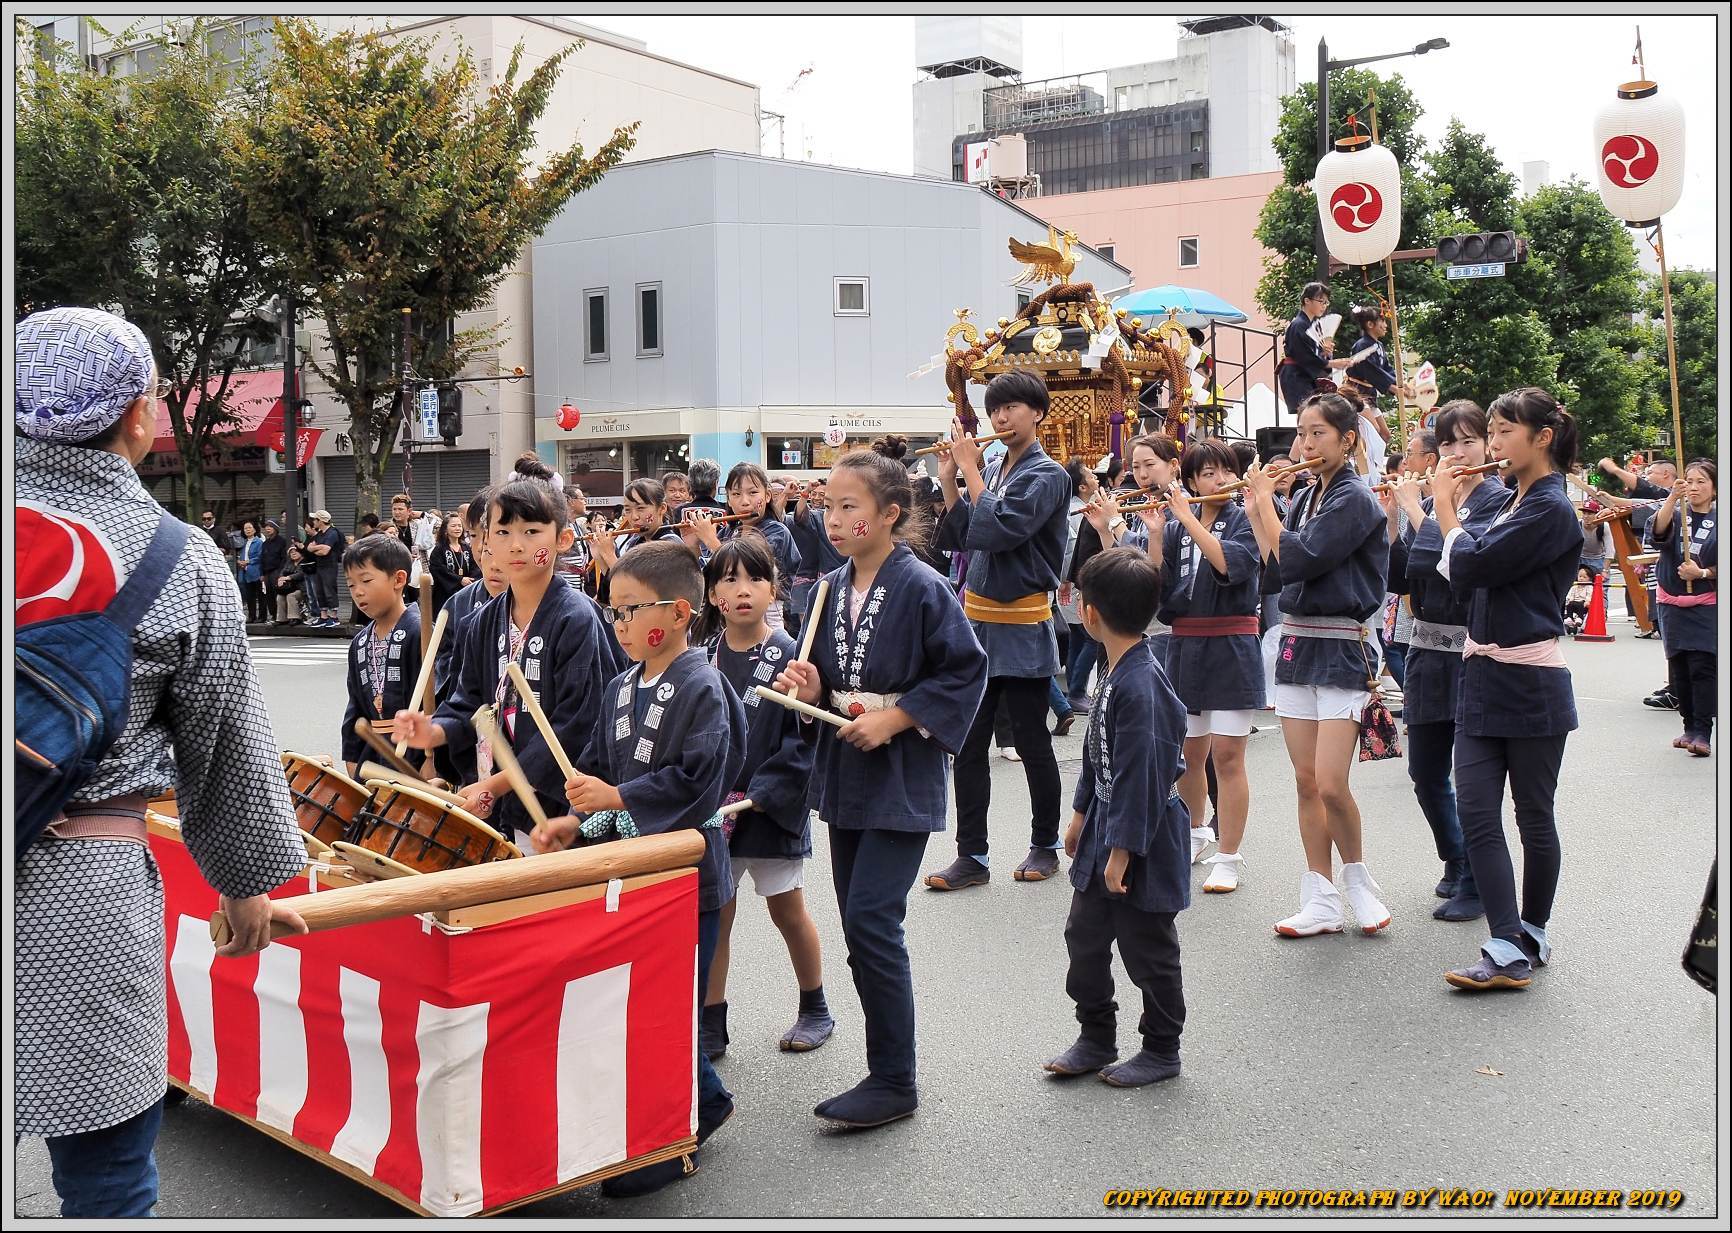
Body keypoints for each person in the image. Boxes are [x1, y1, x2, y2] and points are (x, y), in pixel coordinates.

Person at [15, 306, 307, 1217]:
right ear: (142, 415)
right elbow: (224, 748)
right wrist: (246, 881)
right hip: (79, 894)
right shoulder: (177, 559)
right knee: (106, 1180)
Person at [773, 446, 987, 1127]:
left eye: (848, 507)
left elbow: (964, 670)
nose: (832, 520)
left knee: (872, 917)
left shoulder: (923, 585)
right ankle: (885, 1069)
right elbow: (827, 678)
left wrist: (896, 716)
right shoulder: (825, 588)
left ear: (890, 514)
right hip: (847, 767)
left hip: (899, 768)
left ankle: (896, 1077)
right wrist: (813, 687)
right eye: (827, 506)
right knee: (859, 924)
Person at [535, 540, 744, 1194]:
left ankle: (688, 1115)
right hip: (631, 863)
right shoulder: (621, 686)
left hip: (687, 869)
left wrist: (619, 798)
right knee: (640, 997)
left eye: (631, 610)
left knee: (670, 1000)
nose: (619, 624)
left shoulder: (704, 684)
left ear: (680, 611)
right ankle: (676, 1108)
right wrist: (577, 821)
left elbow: (701, 779)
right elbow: (601, 771)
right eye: (613, 610)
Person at [1431, 388, 1583, 990]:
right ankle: (1503, 942)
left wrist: (1444, 507)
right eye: (1488, 434)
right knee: (1476, 810)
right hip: (1483, 674)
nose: (1491, 446)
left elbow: (1470, 565)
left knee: (1534, 818)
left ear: (1541, 437)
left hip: (1533, 682)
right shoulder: (1508, 502)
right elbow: (1451, 569)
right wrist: (1445, 517)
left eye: (1501, 433)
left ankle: (1534, 929)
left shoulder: (1551, 508)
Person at [391, 480, 617, 852]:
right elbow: (469, 701)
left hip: (560, 804)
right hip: (504, 794)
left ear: (562, 540)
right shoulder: (481, 621)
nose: (515, 544)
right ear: (485, 544)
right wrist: (434, 731)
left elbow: (575, 726)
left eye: (531, 531)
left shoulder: (575, 617)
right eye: (502, 532)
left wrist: (495, 786)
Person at [1242, 392, 1391, 938]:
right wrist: (1262, 507)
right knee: (1305, 782)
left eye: (1316, 434)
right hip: (1297, 645)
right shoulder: (1309, 497)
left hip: (1342, 646)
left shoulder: (1354, 498)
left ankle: (1357, 881)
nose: (1303, 445)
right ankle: (1319, 896)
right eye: (1301, 434)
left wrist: (1264, 504)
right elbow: (1277, 566)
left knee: (1331, 782)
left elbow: (1301, 557)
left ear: (1347, 439)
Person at [1042, 547, 1189, 1087]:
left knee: (1148, 949)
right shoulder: (1118, 667)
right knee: (1084, 937)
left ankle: (1161, 1048)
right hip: (1107, 821)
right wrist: (1081, 811)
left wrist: (1123, 851)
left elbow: (1144, 777)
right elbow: (1097, 753)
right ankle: (1096, 1035)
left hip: (1142, 833)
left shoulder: (1142, 684)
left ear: (1089, 613)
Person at [927, 371, 1072, 890]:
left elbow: (1002, 528)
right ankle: (972, 854)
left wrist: (970, 470)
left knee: (1033, 739)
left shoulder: (1049, 474)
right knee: (968, 744)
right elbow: (964, 536)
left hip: (1024, 621)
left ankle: (1046, 843)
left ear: (1038, 412)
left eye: (1012, 407)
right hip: (978, 622)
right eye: (995, 409)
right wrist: (950, 478)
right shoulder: (991, 463)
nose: (1001, 418)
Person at [697, 535, 832, 1060]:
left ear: (774, 588)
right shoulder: (702, 656)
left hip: (769, 810)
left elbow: (803, 739)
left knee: (787, 911)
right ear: (712, 596)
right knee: (718, 915)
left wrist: (764, 793)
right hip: (715, 811)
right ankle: (712, 1020)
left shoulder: (791, 655)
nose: (743, 590)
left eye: (755, 578)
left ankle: (815, 1005)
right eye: (728, 579)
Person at [1387, 402, 1510, 923]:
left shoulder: (1498, 501)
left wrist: (1423, 508)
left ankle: (1478, 880)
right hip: (1426, 648)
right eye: (1447, 446)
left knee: (1472, 776)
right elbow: (1403, 578)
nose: (1458, 455)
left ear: (1487, 445)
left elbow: (1453, 570)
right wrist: (1396, 519)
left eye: (1468, 442)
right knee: (1424, 770)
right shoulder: (1442, 497)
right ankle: (1456, 856)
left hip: (1471, 651)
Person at [1151, 439, 1263, 892]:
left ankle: (1229, 855)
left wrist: (1184, 519)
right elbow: (1160, 591)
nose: (1219, 480)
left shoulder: (1246, 518)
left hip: (1232, 644)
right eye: (1208, 474)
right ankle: (1195, 832)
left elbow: (1228, 564)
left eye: (1225, 471)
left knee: (1229, 756)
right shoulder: (1180, 526)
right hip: (1186, 647)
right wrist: (1158, 532)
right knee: (1190, 754)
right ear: (1192, 481)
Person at [1648, 459, 1718, 756]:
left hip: (1706, 606)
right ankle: (1688, 726)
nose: (1694, 486)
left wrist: (1702, 573)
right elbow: (1658, 532)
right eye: (1689, 480)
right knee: (1680, 668)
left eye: (1701, 481)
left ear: (1715, 488)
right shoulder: (1676, 514)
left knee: (1702, 667)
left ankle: (1703, 731)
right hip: (1672, 604)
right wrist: (1672, 498)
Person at [338, 536, 422, 779]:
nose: (358, 592)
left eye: (365, 580)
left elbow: (434, 704)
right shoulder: (360, 642)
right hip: (373, 755)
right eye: (351, 585)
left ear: (399, 579)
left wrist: (432, 758)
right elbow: (355, 707)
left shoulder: (419, 632)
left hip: (413, 756)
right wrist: (352, 757)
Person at [687, 461, 801, 631]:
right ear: (729, 499)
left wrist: (710, 540)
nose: (745, 501)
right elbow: (709, 574)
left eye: (753, 493)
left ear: (767, 496)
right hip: (729, 614)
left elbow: (748, 567)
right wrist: (693, 545)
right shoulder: (728, 532)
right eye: (736, 494)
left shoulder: (776, 531)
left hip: (766, 618)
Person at [592, 478, 684, 605]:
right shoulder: (634, 542)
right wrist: (601, 559)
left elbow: (637, 589)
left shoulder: (670, 544)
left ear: (662, 508)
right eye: (628, 510)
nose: (634, 517)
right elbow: (611, 595)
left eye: (640, 508)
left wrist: (609, 555)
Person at [1058, 459, 1103, 713]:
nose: (1096, 477)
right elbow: (1069, 552)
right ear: (1082, 486)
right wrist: (1067, 581)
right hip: (1078, 581)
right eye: (1091, 475)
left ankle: (1075, 688)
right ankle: (1076, 690)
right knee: (1089, 637)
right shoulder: (1078, 512)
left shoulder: (1078, 508)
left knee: (1078, 635)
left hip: (1072, 580)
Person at [1277, 281, 1354, 418]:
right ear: (1307, 300)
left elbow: (1310, 355)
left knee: (1312, 415)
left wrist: (1325, 354)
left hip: (1304, 375)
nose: (1323, 306)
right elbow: (1302, 355)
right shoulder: (1298, 325)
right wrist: (1330, 363)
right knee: (1307, 415)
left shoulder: (1310, 325)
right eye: (1320, 301)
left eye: (1326, 302)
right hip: (1297, 375)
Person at [428, 511, 477, 615]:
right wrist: (459, 580)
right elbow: (438, 569)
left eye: (459, 526)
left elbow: (475, 566)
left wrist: (470, 581)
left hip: (466, 592)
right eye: (453, 526)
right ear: (446, 529)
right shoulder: (439, 549)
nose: (457, 528)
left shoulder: (467, 548)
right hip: (445, 594)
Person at [305, 509, 347, 628]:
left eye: (315, 519)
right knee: (320, 591)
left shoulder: (332, 533)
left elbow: (325, 551)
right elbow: (309, 548)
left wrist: (316, 549)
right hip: (320, 565)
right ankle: (323, 616)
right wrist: (318, 548)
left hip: (329, 565)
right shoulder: (319, 534)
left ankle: (334, 616)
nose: (313, 521)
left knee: (329, 590)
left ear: (321, 521)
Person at [236, 518, 268, 624]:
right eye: (245, 528)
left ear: (255, 530)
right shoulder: (244, 543)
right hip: (245, 572)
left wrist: (247, 562)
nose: (247, 530)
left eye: (250, 527)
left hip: (256, 571)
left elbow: (260, 556)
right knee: (250, 596)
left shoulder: (258, 541)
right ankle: (251, 616)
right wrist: (240, 562)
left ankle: (262, 616)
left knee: (260, 595)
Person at [259, 520, 290, 623]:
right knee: (269, 595)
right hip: (267, 572)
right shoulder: (265, 543)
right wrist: (262, 574)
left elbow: (284, 558)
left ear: (276, 528)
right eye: (266, 527)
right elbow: (262, 559)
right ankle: (273, 615)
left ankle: (281, 616)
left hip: (277, 571)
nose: (267, 529)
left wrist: (280, 573)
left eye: (270, 527)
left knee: (278, 593)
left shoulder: (282, 541)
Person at [1563, 566, 1593, 636]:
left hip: (1583, 604)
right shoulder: (1575, 586)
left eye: (1584, 577)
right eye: (1580, 576)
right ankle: (1569, 617)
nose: (1581, 578)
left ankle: (1580, 618)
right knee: (1570, 604)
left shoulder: (1589, 587)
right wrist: (1569, 601)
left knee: (1580, 604)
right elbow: (1570, 595)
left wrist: (1587, 602)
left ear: (1589, 578)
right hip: (1574, 603)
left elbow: (1589, 596)